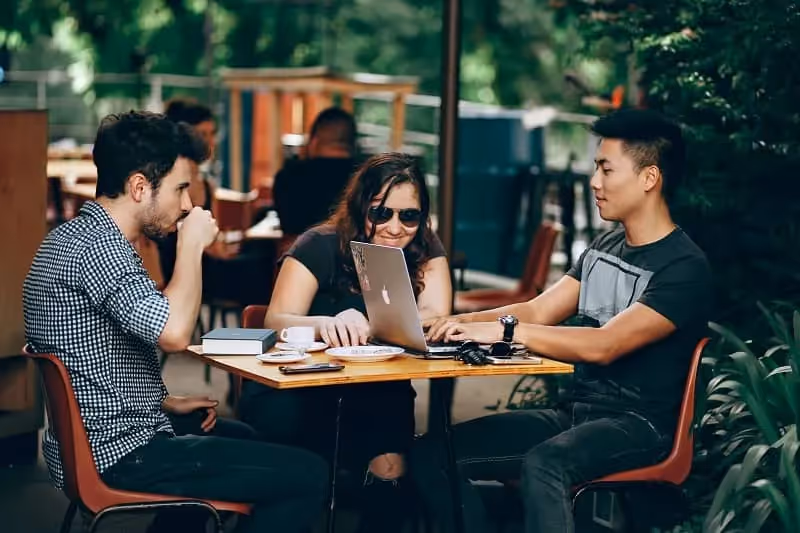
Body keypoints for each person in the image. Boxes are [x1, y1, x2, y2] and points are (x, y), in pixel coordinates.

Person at [23, 111, 328, 533]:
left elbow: (89, 358)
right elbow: (174, 333)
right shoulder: (100, 250)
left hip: (94, 441)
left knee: (247, 438)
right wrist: (191, 246)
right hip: (121, 453)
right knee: (309, 474)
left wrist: (161, 403)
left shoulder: (70, 238)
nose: (187, 204)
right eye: (180, 188)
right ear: (139, 187)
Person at [414, 108, 713, 533]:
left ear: (649, 178)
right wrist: (454, 322)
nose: (594, 181)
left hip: (640, 425)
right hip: (574, 414)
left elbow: (605, 345)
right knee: (433, 455)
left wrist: (503, 331)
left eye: (606, 169)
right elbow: (538, 310)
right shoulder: (605, 246)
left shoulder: (683, 267)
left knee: (545, 463)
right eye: (596, 168)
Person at [238, 152, 452, 533]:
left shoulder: (423, 247)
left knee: (392, 449)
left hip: (376, 389)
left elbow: (435, 316)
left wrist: (378, 324)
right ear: (360, 208)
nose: (395, 227)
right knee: (313, 461)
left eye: (409, 215)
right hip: (300, 387)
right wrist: (327, 324)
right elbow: (275, 321)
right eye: (381, 213)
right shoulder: (319, 244)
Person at [272, 106, 358, 237]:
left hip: (298, 249)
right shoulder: (365, 178)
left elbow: (288, 230)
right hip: (349, 249)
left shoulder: (288, 177)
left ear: (314, 141)